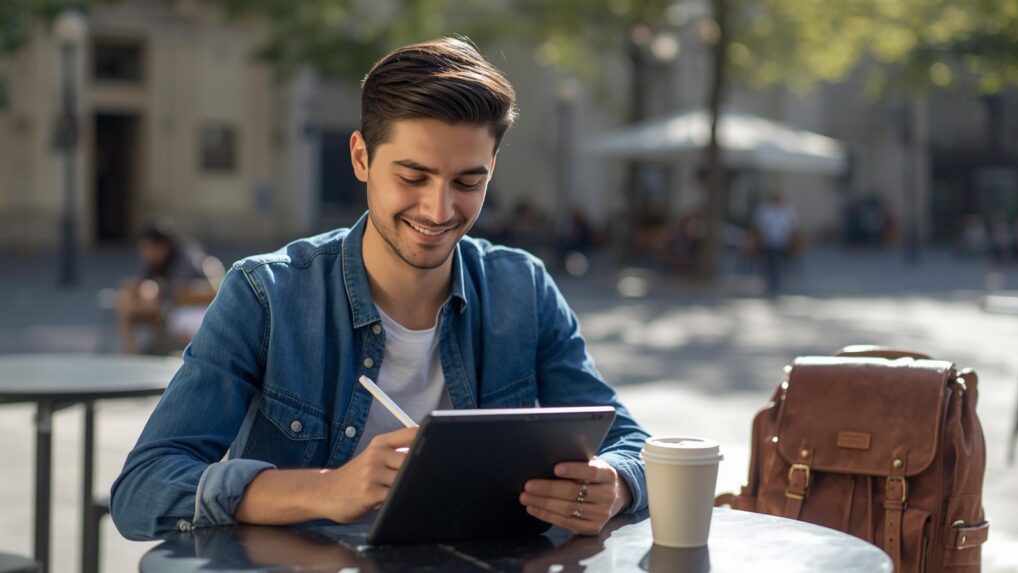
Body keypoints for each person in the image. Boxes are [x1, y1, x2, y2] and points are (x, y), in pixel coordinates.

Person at [110, 38, 649, 541]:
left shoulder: (522, 288)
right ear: (361, 158)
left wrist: (616, 486)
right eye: (413, 177)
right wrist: (326, 488)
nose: (439, 211)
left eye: (467, 182)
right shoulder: (266, 294)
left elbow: (633, 445)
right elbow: (142, 490)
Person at [114, 219, 213, 354]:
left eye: (147, 248)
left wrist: (155, 291)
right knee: (126, 304)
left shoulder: (186, 259)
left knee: (147, 304)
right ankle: (131, 353)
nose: (144, 253)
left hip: (193, 309)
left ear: (161, 246)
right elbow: (143, 281)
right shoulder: (155, 262)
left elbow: (179, 290)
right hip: (169, 308)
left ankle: (152, 351)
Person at [752, 192, 798, 296]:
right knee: (768, 264)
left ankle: (776, 284)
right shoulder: (766, 210)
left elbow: (793, 226)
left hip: (782, 242)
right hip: (768, 241)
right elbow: (758, 224)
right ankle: (770, 283)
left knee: (778, 264)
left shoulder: (787, 211)